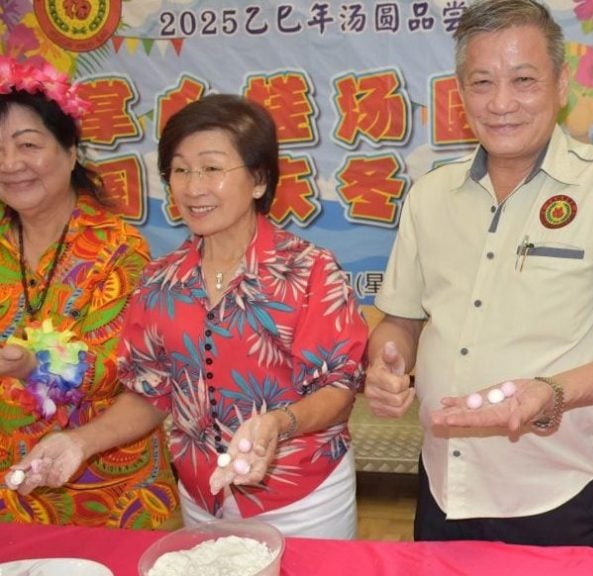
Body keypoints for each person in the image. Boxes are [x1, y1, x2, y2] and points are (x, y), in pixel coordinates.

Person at [365, 0, 593, 549]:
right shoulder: (430, 195)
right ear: (460, 91)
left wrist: (552, 392)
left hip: (553, 494)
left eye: (523, 80)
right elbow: (400, 322)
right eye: (482, 82)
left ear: (561, 84)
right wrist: (387, 363)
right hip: (444, 484)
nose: (501, 103)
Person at [8, 94, 368, 539]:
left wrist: (278, 423)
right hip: (202, 497)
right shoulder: (160, 281)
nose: (193, 188)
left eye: (212, 168)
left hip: (301, 500)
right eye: (180, 170)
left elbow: (337, 391)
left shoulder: (310, 270)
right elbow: (150, 394)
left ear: (258, 180)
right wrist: (79, 442)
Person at [0, 57, 178, 528]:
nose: (11, 164)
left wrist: (31, 365)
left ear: (71, 151)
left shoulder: (118, 248)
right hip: (10, 496)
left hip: (111, 493)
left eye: (28, 144)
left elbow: (122, 369)